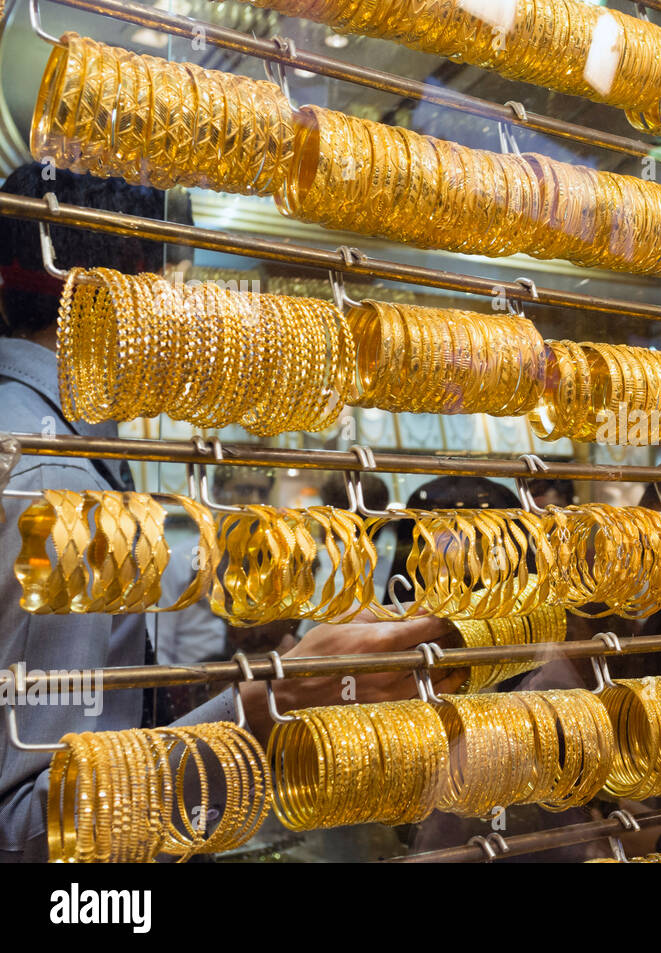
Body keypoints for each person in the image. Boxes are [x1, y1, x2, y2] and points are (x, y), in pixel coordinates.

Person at [0, 163, 465, 862]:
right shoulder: (59, 488)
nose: (189, 324)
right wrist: (266, 704)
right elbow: (34, 833)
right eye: (178, 290)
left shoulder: (34, 442)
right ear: (123, 297)